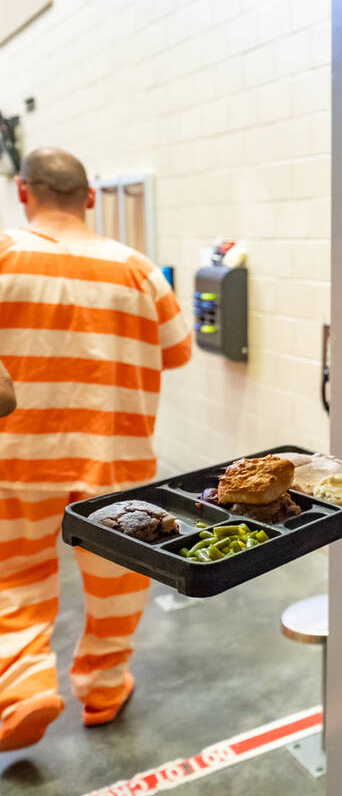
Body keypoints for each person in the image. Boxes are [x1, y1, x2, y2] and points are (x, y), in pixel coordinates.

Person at [0, 148, 191, 751]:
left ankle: (24, 689)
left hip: (17, 459)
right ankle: (104, 690)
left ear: (24, 193)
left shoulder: (4, 254)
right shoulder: (136, 268)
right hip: (116, 459)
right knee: (118, 581)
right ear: (88, 198)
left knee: (16, 582)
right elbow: (177, 352)